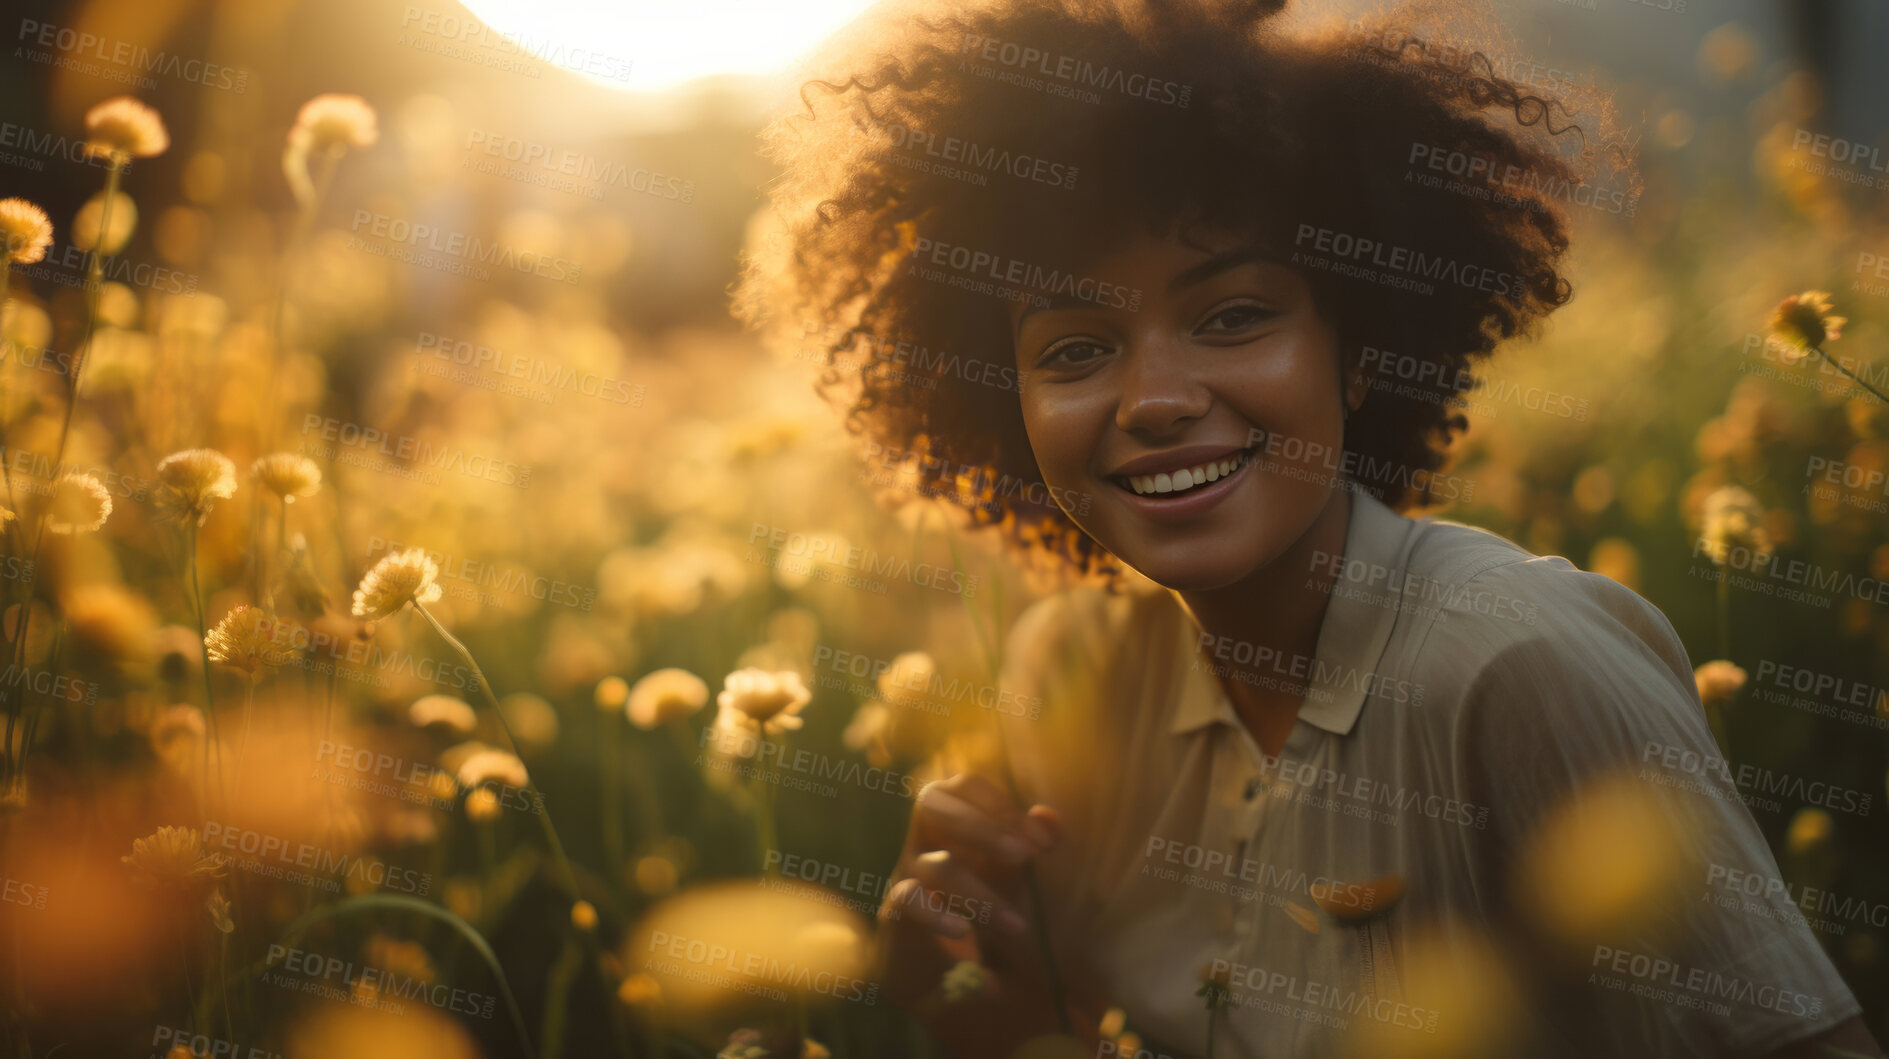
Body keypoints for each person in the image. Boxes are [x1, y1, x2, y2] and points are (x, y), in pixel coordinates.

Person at [736, 0, 1884, 1055]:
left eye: (1232, 316)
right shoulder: (1071, 675)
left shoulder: (1520, 666)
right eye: (1074, 349)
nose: (1153, 399)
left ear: (1361, 351)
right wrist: (953, 979)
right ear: (1007, 405)